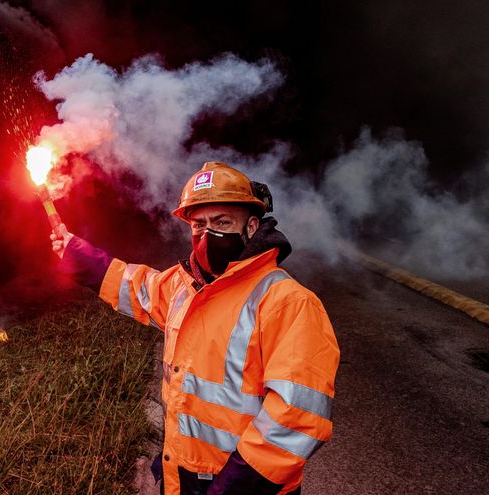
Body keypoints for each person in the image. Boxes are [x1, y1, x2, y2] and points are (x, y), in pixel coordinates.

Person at [50, 161, 339, 495]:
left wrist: (226, 489)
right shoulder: (184, 287)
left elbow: (296, 421)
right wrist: (75, 253)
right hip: (181, 478)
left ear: (251, 226)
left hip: (245, 487)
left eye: (221, 222)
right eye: (198, 224)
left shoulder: (288, 302)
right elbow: (139, 289)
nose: (207, 234)